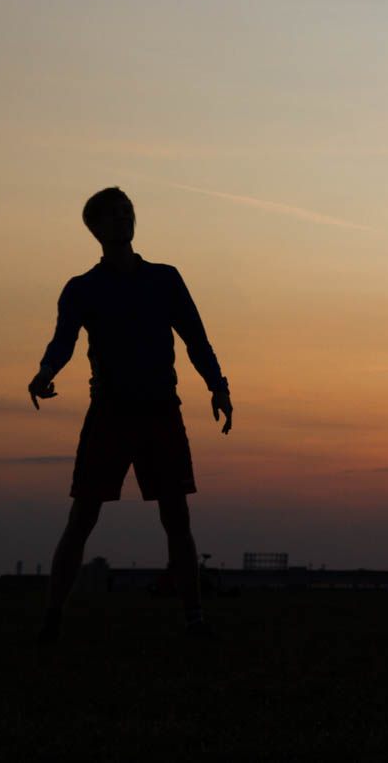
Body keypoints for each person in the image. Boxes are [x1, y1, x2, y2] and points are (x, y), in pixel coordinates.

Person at [28, 187, 234, 642]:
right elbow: (63, 340)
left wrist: (218, 386)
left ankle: (194, 618)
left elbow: (196, 340)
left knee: (176, 517)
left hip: (161, 410)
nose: (124, 221)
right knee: (82, 517)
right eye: (115, 216)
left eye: (129, 213)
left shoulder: (165, 279)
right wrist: (45, 372)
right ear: (96, 228)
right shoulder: (82, 289)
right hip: (110, 414)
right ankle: (52, 620)